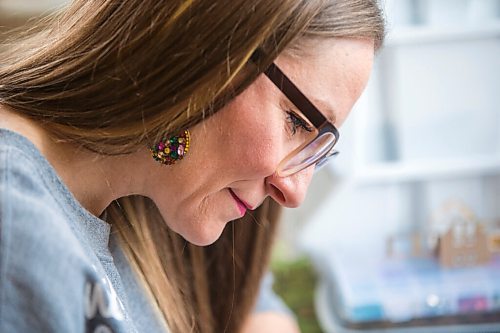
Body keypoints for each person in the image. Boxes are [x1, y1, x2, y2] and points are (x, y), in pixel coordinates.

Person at [0, 0, 385, 332]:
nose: (294, 192)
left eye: (317, 149)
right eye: (297, 122)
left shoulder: (156, 200)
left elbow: (254, 303)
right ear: (205, 46)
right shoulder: (17, 225)